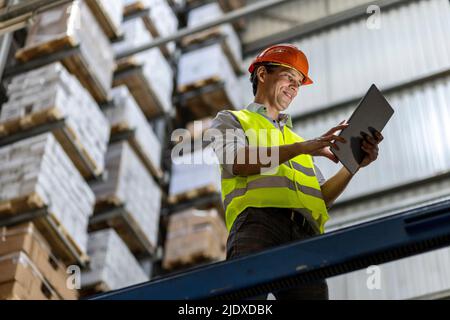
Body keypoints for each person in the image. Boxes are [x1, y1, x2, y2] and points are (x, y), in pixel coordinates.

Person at [210, 44, 383, 300]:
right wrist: (302, 147)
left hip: (305, 237)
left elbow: (321, 197)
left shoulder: (297, 140)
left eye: (299, 83)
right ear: (261, 75)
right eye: (289, 77)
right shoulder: (232, 120)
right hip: (258, 224)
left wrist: (353, 165)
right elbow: (238, 161)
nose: (294, 87)